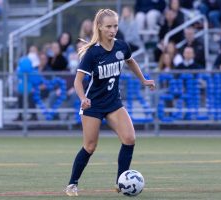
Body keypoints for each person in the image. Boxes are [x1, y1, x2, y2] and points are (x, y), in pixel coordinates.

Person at [64, 9, 155, 196]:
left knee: (129, 139)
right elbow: (77, 81)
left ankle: (120, 182)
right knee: (90, 146)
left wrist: (143, 80)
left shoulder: (121, 47)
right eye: (108, 26)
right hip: (93, 105)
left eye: (115, 25)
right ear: (99, 27)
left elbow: (131, 62)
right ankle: (72, 184)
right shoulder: (92, 53)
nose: (112, 30)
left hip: (113, 103)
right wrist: (83, 99)